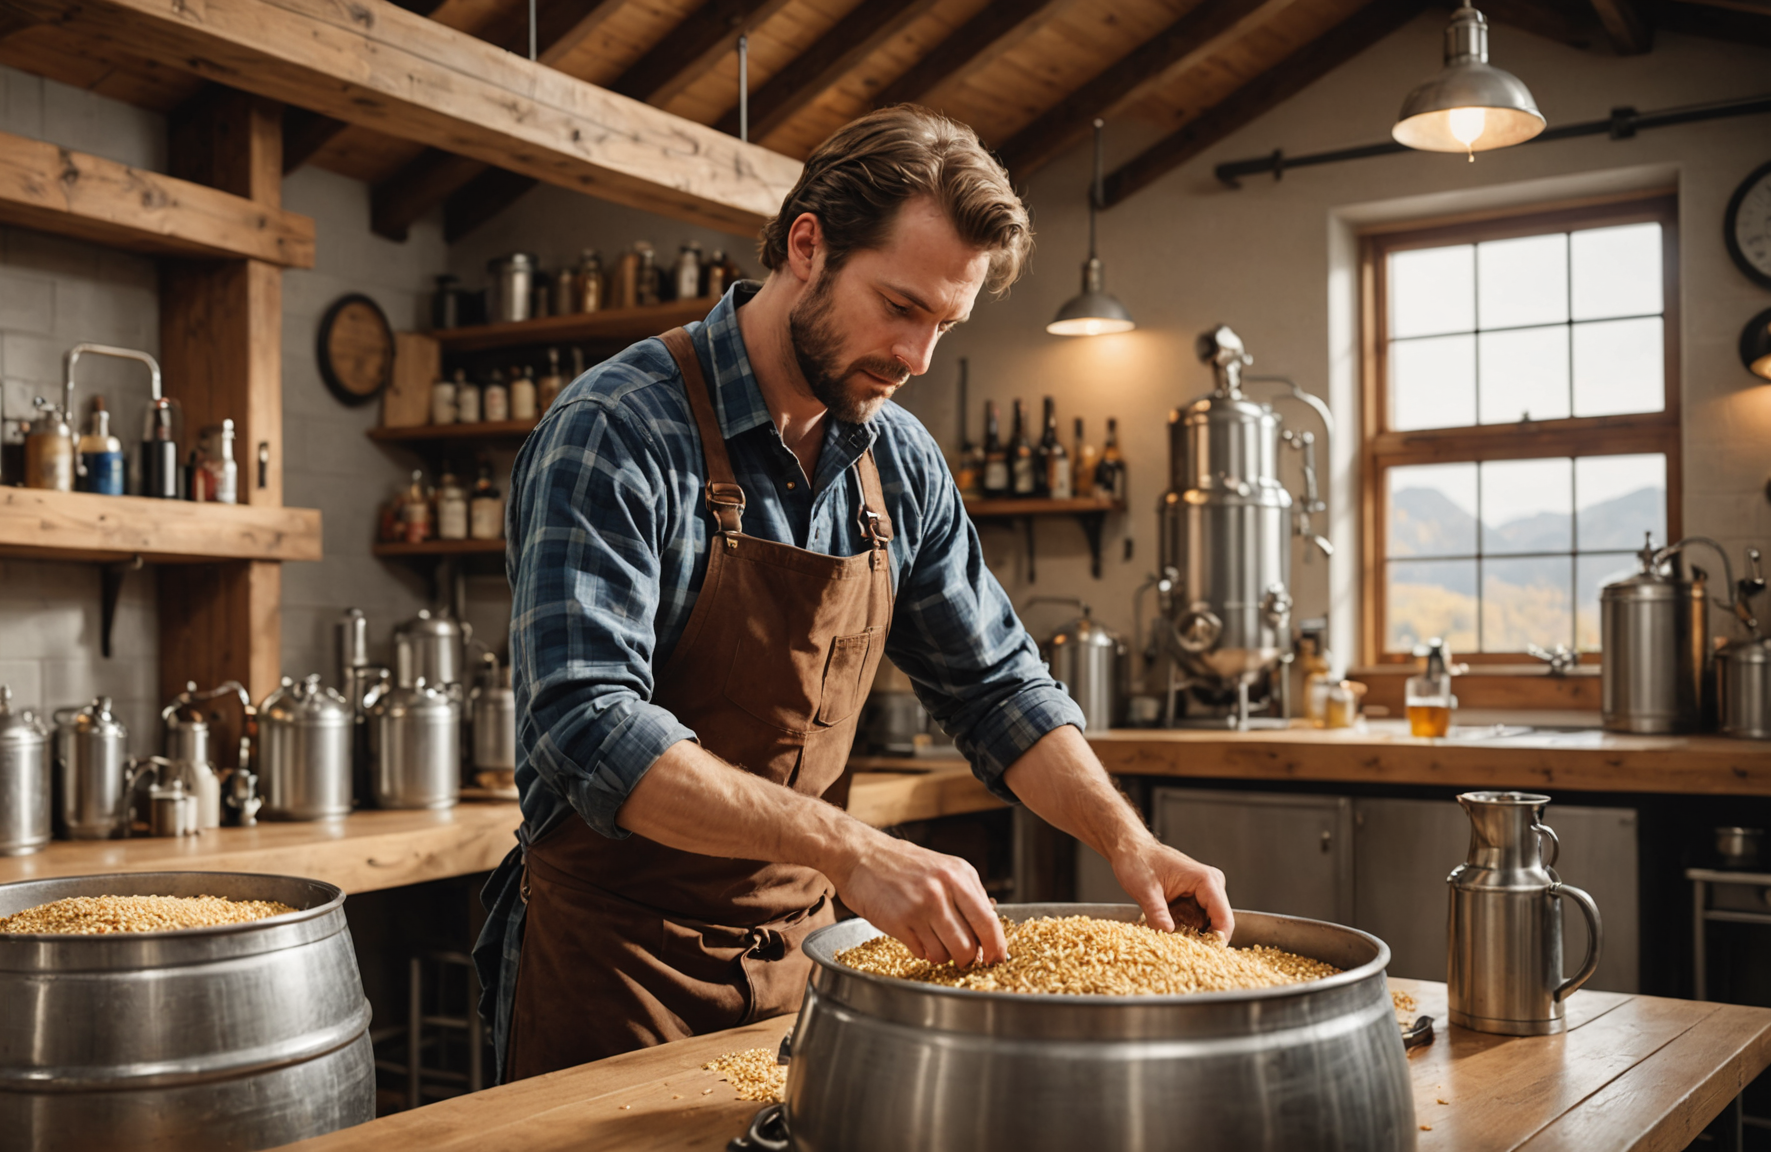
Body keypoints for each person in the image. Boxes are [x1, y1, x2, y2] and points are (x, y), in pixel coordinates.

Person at [474, 104, 1232, 1083]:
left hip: (805, 972)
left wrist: (1127, 842)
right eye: (901, 307)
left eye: (944, 325)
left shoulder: (896, 459)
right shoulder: (617, 430)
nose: (918, 359)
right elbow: (586, 727)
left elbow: (996, 687)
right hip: (615, 976)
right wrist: (854, 852)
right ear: (807, 246)